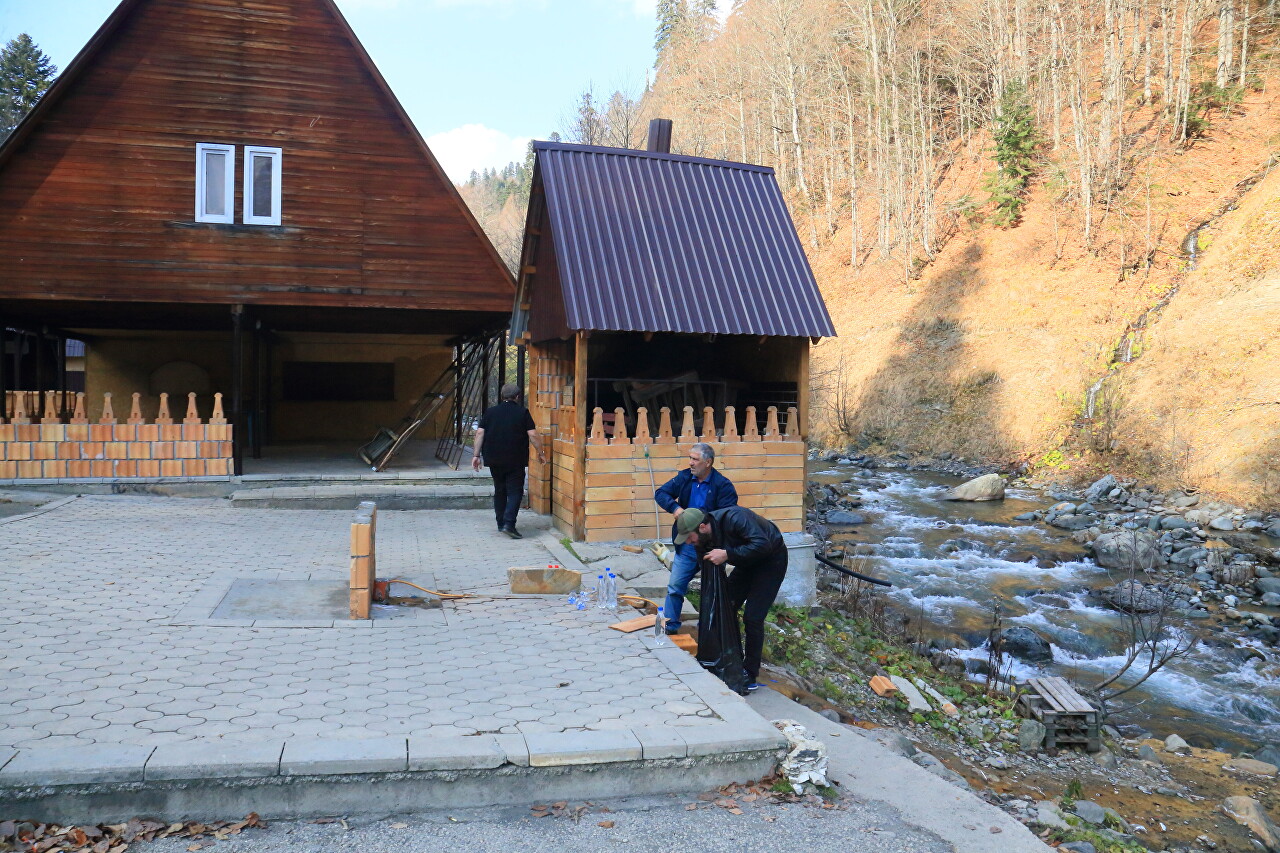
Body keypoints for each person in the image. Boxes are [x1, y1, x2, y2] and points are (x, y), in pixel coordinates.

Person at [673, 505, 788, 691]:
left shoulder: (736, 518)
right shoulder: (702, 540)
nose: (688, 542)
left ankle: (750, 673)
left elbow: (763, 545)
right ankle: (730, 660)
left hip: (770, 560)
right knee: (725, 605)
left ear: (702, 527)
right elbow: (706, 567)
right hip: (746, 562)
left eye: (689, 537)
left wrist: (727, 554)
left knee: (753, 617)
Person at [654, 443, 738, 634]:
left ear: (708, 462)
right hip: (687, 544)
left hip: (711, 548)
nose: (690, 463)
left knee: (710, 593)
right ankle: (670, 626)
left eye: (695, 459)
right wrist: (676, 509)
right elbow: (660, 493)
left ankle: (706, 633)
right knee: (675, 586)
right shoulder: (685, 477)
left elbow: (728, 517)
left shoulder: (723, 486)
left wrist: (707, 526)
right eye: (690, 458)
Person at [472, 383, 545, 539]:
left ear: (501, 396)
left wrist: (476, 455)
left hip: (494, 458)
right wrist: (541, 452)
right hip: (515, 459)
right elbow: (532, 435)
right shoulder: (522, 412)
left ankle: (501, 524)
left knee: (500, 489)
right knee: (515, 491)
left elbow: (479, 433)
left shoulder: (490, 412)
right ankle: (509, 524)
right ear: (517, 397)